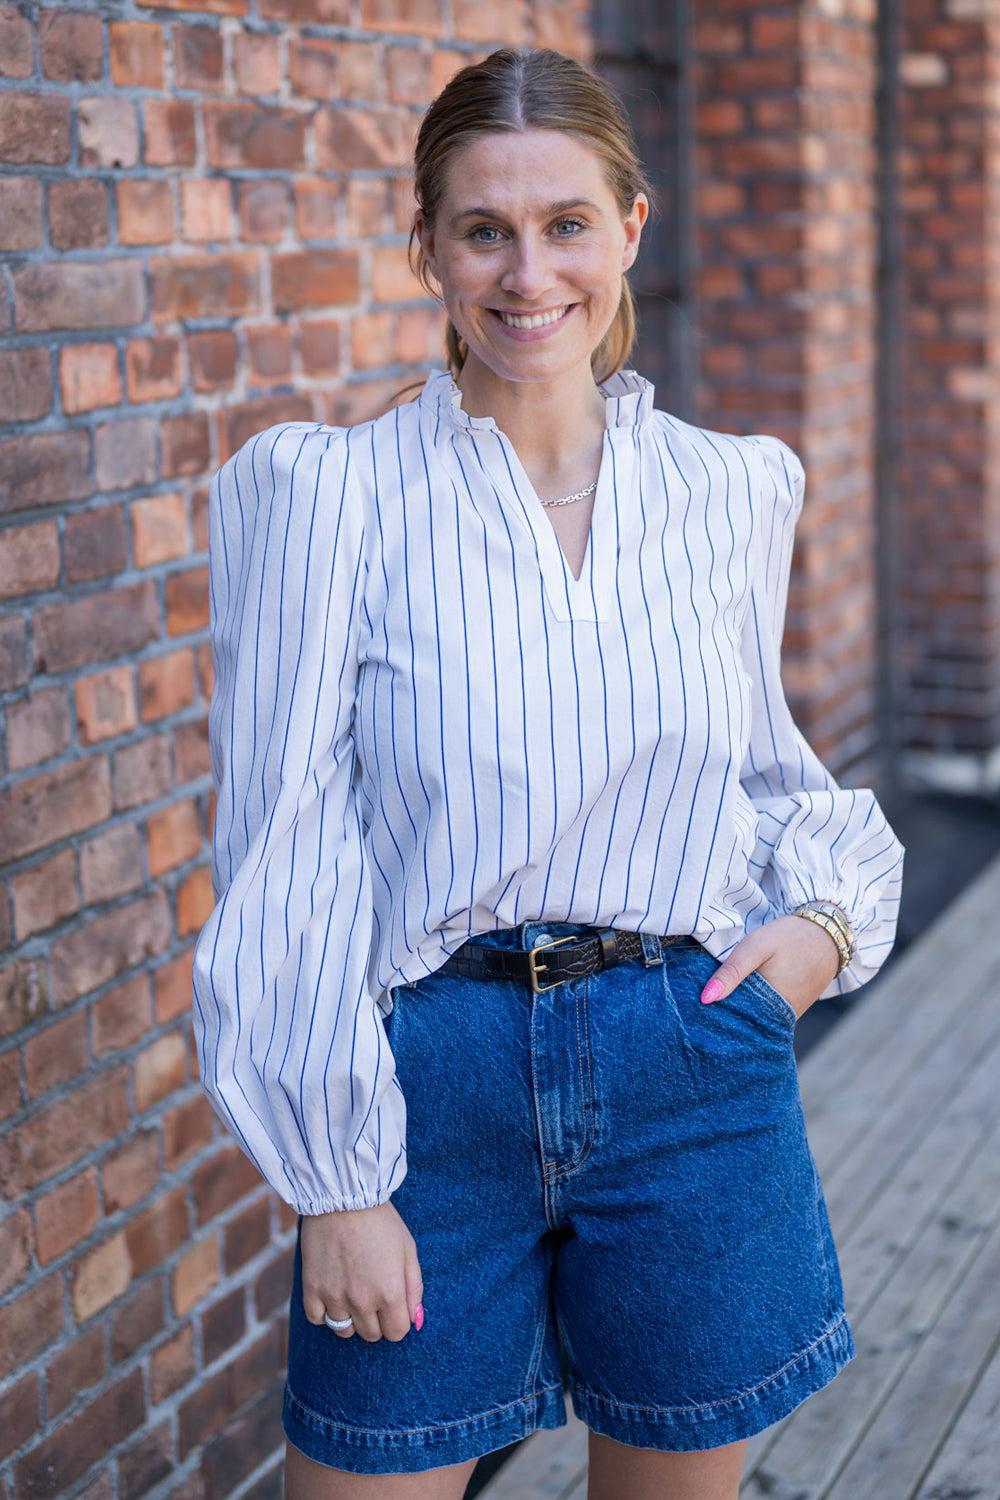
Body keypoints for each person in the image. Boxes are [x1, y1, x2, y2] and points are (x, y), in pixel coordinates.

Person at [192, 44, 905, 1500]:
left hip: (690, 1063)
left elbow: (768, 772)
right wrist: (337, 1182)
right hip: (424, 1097)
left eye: (566, 223)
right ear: (428, 249)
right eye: (483, 230)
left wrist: (819, 936)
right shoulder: (323, 497)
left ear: (633, 227)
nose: (529, 275)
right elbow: (283, 849)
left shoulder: (729, 490)